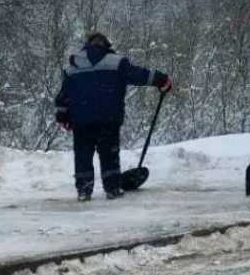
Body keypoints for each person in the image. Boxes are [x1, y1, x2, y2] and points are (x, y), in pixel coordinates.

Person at [54, 32, 172, 202]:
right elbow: (139, 75)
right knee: (109, 154)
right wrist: (161, 79)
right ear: (106, 45)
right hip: (108, 119)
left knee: (82, 155)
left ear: (87, 45)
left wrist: (62, 116)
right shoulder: (116, 62)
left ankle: (84, 190)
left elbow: (63, 96)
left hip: (81, 120)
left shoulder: (73, 66)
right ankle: (112, 188)